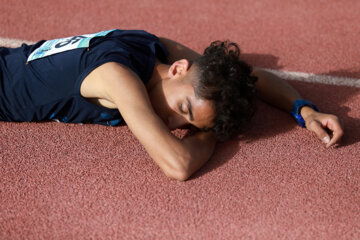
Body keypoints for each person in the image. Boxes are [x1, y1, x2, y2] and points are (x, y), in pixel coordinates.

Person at [0, 29, 343, 180]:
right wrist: (212, 134)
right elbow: (177, 165)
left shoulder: (154, 48)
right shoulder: (119, 77)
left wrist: (305, 110)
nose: (174, 125)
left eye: (187, 125)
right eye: (185, 111)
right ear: (179, 70)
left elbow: (251, 78)